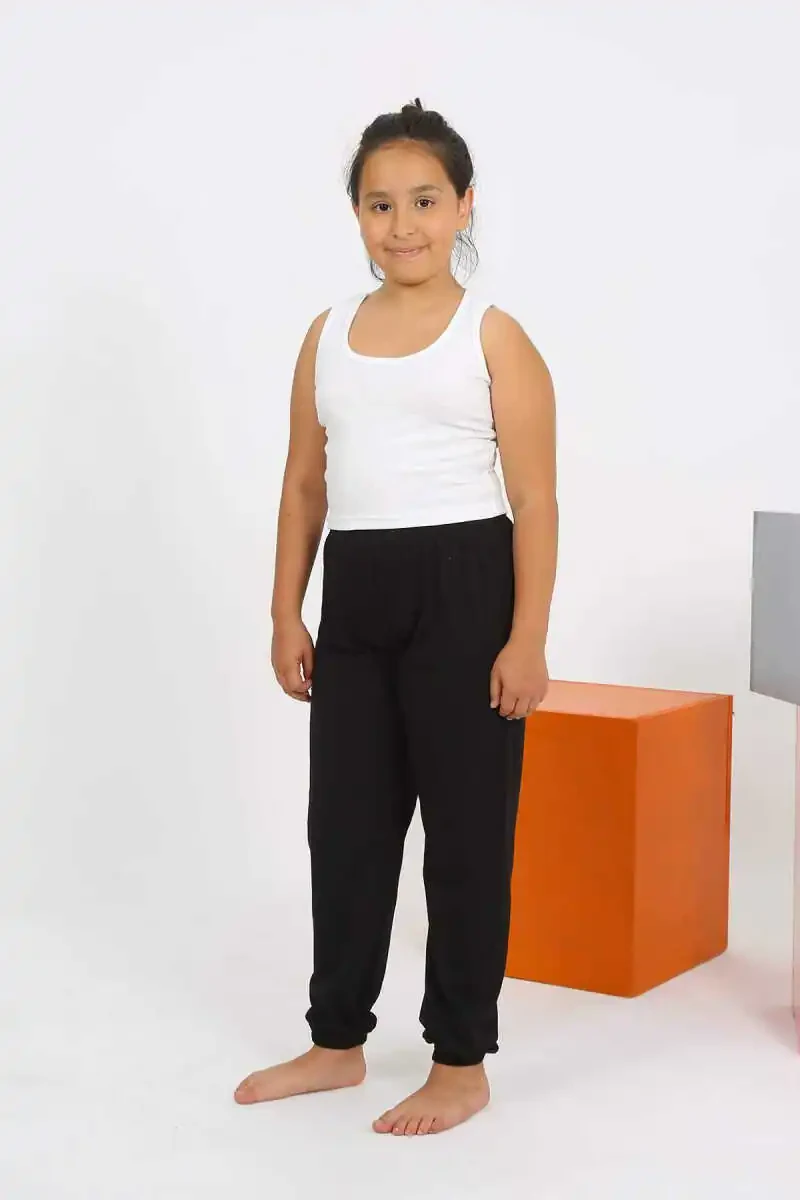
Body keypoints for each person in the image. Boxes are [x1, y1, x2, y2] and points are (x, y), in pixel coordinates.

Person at [234, 98, 558, 1136]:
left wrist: (526, 637)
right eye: (380, 204)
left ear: (464, 205)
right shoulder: (326, 335)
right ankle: (336, 1042)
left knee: (464, 837)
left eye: (424, 201)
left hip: (466, 588)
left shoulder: (492, 336)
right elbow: (303, 486)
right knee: (347, 830)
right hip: (359, 592)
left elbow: (535, 499)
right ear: (357, 215)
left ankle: (459, 1061)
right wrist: (285, 613)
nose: (402, 224)